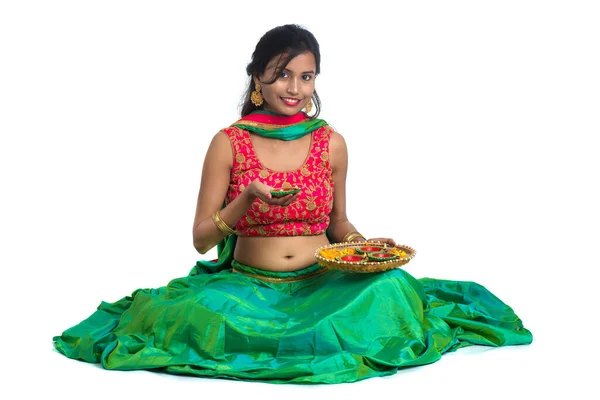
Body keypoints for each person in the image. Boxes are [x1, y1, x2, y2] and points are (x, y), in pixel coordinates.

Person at [53, 24, 532, 384]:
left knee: (388, 291)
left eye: (306, 77)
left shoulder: (332, 142)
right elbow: (201, 241)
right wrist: (246, 198)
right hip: (247, 286)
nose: (294, 88)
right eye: (282, 74)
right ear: (258, 77)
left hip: (321, 280)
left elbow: (339, 222)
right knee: (197, 319)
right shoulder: (229, 141)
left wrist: (366, 250)